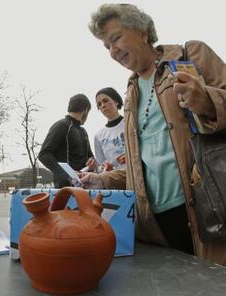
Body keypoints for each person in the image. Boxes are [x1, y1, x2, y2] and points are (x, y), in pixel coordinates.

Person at [84, 3, 226, 265]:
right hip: (154, 225)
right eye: (107, 47)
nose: (113, 51)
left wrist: (207, 101)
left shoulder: (190, 54)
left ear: (142, 32)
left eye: (116, 38)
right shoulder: (131, 92)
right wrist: (102, 179)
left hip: (207, 211)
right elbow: (141, 165)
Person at [38, 93, 95, 188]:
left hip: (85, 185)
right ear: (85, 110)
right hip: (65, 188)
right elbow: (44, 154)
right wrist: (67, 174)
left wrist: (92, 161)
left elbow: (90, 157)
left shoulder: (83, 131)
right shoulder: (61, 125)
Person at [94, 87, 126, 172]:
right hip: (114, 180)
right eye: (99, 104)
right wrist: (104, 167)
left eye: (105, 100)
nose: (103, 105)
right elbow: (100, 165)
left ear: (116, 101)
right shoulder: (98, 136)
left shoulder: (130, 123)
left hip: (136, 175)